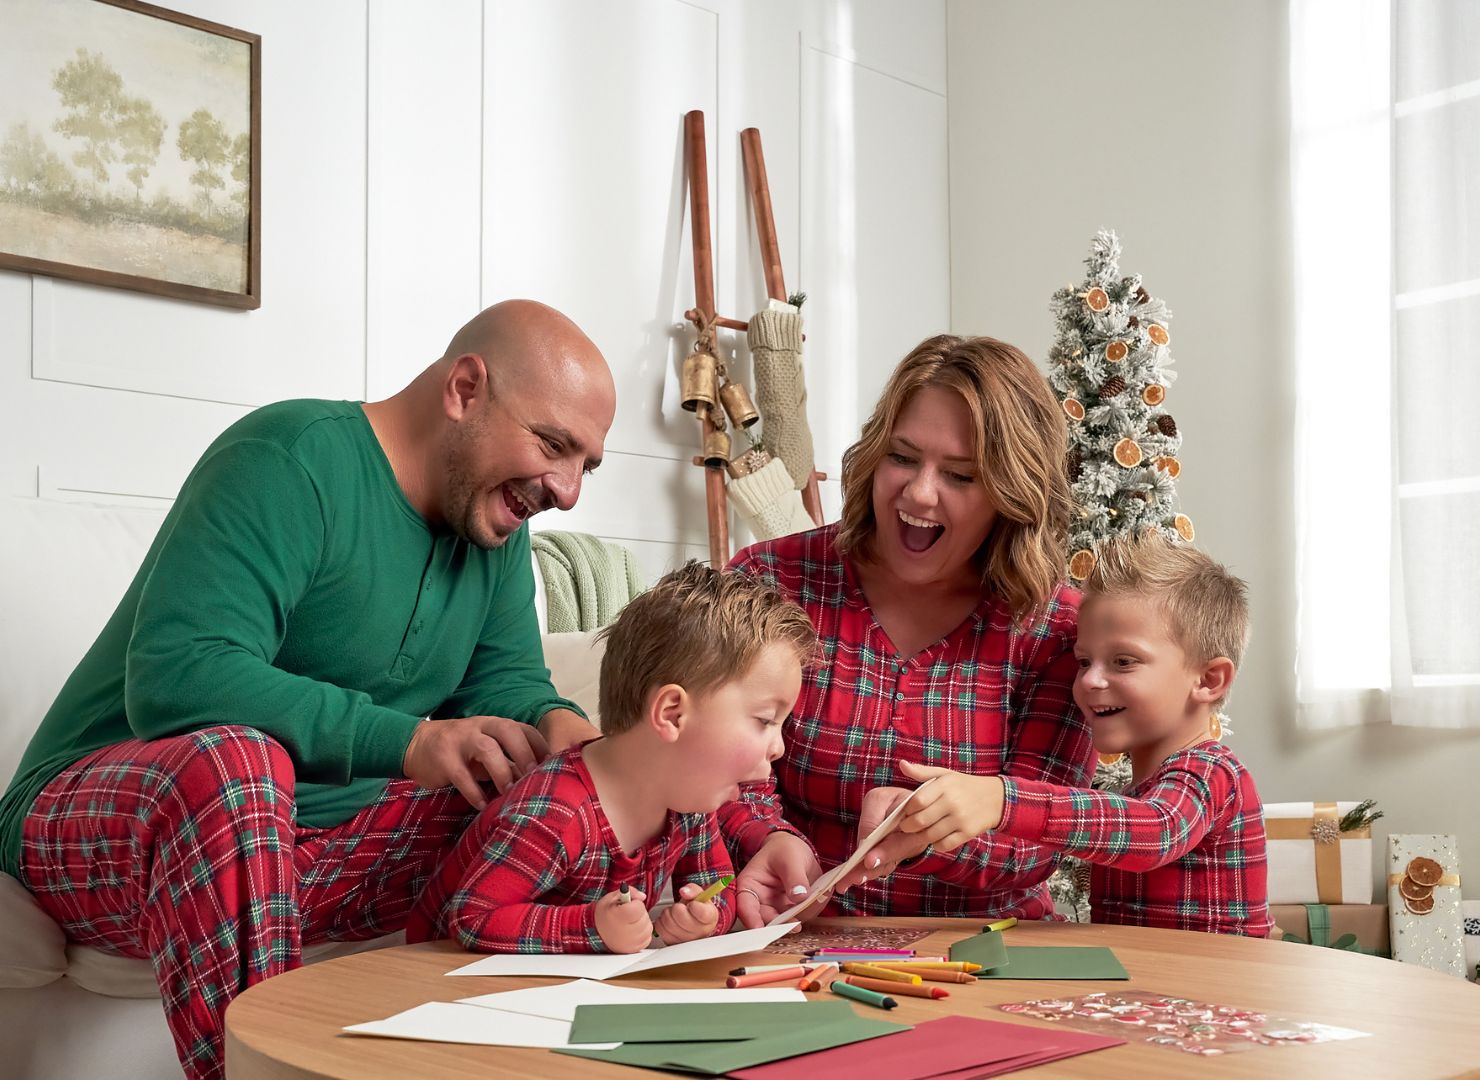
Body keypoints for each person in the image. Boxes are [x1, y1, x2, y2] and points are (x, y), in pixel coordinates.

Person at [0, 300, 615, 1079]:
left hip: (305, 853)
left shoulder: (493, 525)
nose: (566, 490)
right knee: (236, 767)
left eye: (586, 465)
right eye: (554, 444)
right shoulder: (288, 457)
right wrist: (411, 741)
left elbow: (507, 686)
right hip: (106, 827)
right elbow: (177, 673)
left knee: (551, 795)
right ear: (465, 388)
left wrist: (570, 737)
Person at [722, 334, 1096, 926]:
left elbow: (1040, 834)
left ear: (1012, 496)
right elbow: (718, 764)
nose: (920, 492)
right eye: (901, 457)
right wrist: (767, 836)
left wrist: (930, 831)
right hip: (792, 935)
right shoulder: (770, 580)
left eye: (961, 475)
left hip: (989, 948)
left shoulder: (1059, 629)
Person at [408, 562, 816, 952]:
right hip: (431, 984)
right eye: (764, 720)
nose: (778, 747)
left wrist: (705, 915)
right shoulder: (556, 811)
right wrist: (592, 928)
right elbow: (473, 917)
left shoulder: (687, 801)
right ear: (672, 714)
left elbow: (717, 881)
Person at [881, 532, 1272, 936]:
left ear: (1210, 680)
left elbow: (1157, 830)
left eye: (1123, 661)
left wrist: (1000, 799)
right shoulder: (1136, 794)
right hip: (1155, 992)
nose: (1090, 680)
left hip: (1221, 993)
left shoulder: (1213, 772)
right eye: (1084, 662)